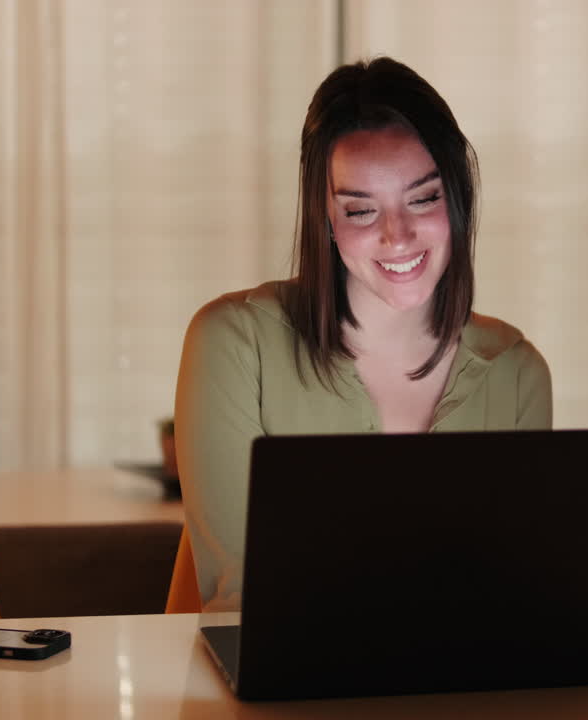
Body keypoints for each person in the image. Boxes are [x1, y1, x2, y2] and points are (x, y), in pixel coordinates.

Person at [174, 57, 552, 610]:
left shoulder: (517, 372)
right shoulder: (233, 345)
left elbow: (512, 593)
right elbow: (242, 600)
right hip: (283, 691)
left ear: (458, 198)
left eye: (423, 198)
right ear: (325, 220)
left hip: (460, 689)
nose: (397, 236)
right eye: (360, 211)